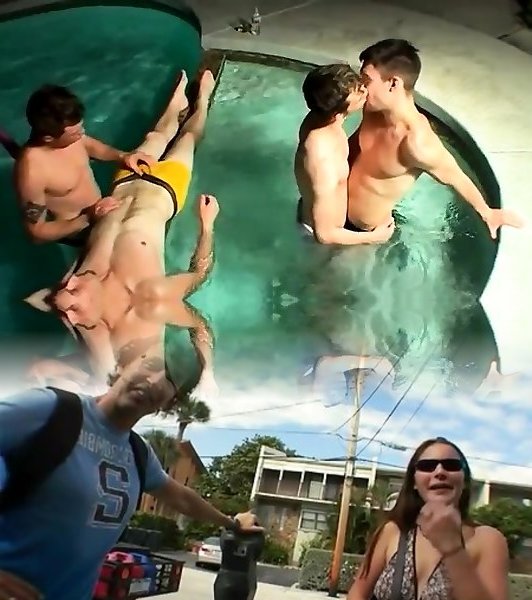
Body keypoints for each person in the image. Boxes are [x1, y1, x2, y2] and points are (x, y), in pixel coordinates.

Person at [0, 356, 262, 600]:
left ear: (170, 402)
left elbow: (182, 498)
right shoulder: (50, 409)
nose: (155, 381)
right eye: (151, 364)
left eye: (171, 380)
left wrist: (232, 522)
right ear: (123, 365)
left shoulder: (139, 453)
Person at [25, 70, 218, 399]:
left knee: (158, 132)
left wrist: (123, 157)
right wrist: (207, 224)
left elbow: (43, 367)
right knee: (188, 137)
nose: (69, 283)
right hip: (166, 190)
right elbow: (199, 276)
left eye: (64, 287)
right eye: (71, 297)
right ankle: (202, 102)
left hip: (126, 180)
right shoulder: (146, 300)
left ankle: (176, 105)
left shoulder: (88, 265)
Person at [346, 38, 522, 238]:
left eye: (366, 80)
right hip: (331, 207)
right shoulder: (372, 110)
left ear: (393, 83)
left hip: (361, 232)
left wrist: (486, 212)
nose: (361, 87)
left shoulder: (417, 143)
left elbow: (455, 176)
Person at [347, 436, 509, 600]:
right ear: (414, 482)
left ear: (465, 481)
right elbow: (357, 593)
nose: (440, 472)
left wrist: (454, 551)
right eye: (427, 466)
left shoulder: (488, 540)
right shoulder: (393, 531)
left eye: (451, 465)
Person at [14, 84, 155, 246]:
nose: (82, 133)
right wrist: (87, 217)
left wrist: (122, 156)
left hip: (104, 212)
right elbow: (36, 233)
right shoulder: (32, 172)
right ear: (48, 138)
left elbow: (91, 146)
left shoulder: (69, 137)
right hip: (81, 235)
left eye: (81, 126)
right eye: (75, 132)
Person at [295, 63, 395, 245]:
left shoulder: (322, 117)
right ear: (337, 110)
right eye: (358, 92)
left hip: (332, 224)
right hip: (326, 241)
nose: (364, 90)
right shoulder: (320, 153)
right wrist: (374, 237)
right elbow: (324, 234)